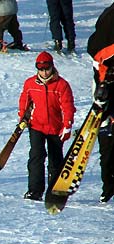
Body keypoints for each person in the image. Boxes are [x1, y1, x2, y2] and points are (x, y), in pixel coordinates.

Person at [18, 51, 76, 201]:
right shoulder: (30, 83)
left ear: (52, 67)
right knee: (36, 157)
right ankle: (34, 191)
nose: (44, 72)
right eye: (40, 69)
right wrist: (22, 118)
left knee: (55, 160)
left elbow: (68, 106)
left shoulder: (61, 85)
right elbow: (25, 101)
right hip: (36, 125)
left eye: (47, 68)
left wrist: (67, 125)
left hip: (55, 128)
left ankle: (54, 191)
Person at [87, 3, 114, 203]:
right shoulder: (108, 19)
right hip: (105, 97)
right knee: (107, 149)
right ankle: (108, 186)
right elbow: (97, 54)